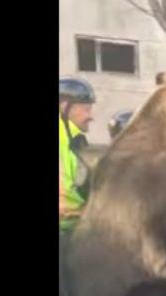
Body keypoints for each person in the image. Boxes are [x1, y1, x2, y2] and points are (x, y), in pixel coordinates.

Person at [59, 77, 96, 231]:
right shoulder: (67, 139)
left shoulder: (74, 139)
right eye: (86, 110)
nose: (91, 116)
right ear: (65, 107)